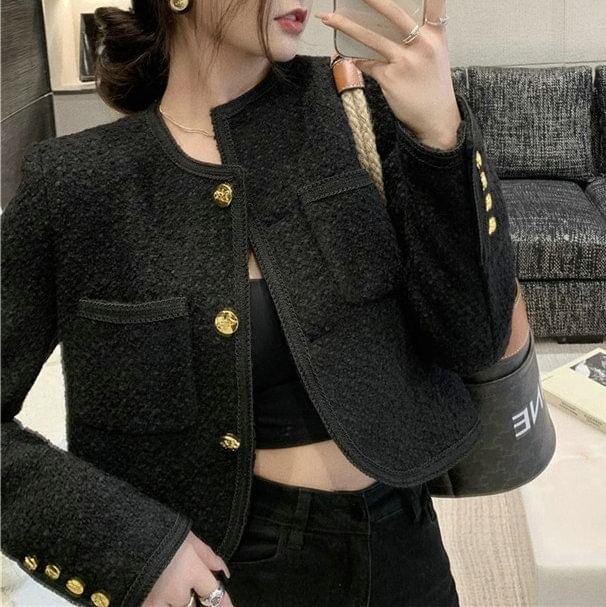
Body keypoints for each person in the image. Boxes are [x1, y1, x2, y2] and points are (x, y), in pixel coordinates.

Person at [1, 0, 519, 606]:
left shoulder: (356, 104)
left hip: (404, 542)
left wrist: (441, 136)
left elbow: (473, 339)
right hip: (223, 573)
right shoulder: (80, 184)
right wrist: (129, 549)